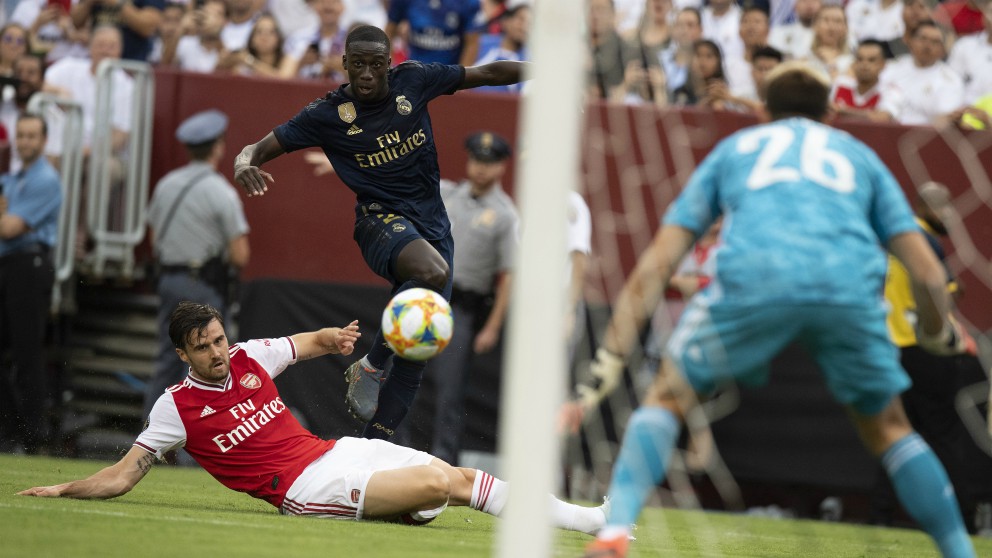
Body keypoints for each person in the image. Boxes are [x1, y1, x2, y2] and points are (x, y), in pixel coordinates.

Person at [577, 62, 977, 558]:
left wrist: (611, 358)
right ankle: (960, 551)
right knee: (891, 428)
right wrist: (938, 334)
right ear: (831, 113)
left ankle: (616, 531)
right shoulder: (860, 155)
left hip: (755, 279)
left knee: (666, 398)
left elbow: (660, 261)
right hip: (845, 289)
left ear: (762, 110)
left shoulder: (737, 150)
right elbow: (928, 271)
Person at [19, 301, 609, 536]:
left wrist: (336, 338)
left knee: (448, 476)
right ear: (183, 354)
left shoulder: (251, 357)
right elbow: (124, 474)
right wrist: (65, 488)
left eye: (220, 339)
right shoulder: (176, 406)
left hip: (333, 451)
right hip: (304, 488)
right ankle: (586, 524)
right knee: (440, 486)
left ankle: (590, 517)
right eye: (203, 347)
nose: (219, 352)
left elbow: (307, 342)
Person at [233, 24, 527, 441]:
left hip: (433, 226)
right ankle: (370, 364)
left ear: (391, 64)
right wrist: (245, 161)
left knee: (416, 352)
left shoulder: (416, 79)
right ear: (345, 65)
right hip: (378, 221)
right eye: (358, 65)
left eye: (376, 64)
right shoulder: (328, 113)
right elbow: (262, 146)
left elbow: (486, 74)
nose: (367, 73)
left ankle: (372, 450)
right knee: (433, 273)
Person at [870, 182, 992, 534]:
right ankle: (966, 519)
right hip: (928, 348)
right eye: (943, 206)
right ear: (925, 208)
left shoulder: (892, 240)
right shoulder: (924, 240)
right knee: (945, 435)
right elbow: (945, 292)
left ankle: (880, 516)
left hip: (894, 347)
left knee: (894, 434)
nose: (949, 214)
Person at [404, 131, 518, 466]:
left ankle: (443, 461)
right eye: (476, 160)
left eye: (489, 162)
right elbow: (400, 181)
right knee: (402, 375)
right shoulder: (448, 193)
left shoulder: (505, 215)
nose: (481, 168)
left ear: (501, 167)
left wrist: (493, 327)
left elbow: (509, 274)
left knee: (449, 391)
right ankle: (398, 450)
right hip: (424, 301)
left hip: (461, 310)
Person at [143, 109, 250, 421]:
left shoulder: (166, 185)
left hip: (169, 280)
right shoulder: (221, 192)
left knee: (166, 359)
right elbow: (240, 255)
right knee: (209, 363)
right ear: (218, 146)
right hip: (201, 285)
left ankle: (149, 435)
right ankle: (202, 444)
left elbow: (154, 238)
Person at [0, 113, 62, 454]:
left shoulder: (45, 180)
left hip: (29, 263)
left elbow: (10, 228)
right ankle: (12, 428)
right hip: (9, 264)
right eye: (21, 135)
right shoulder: (13, 178)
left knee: (27, 351)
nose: (25, 141)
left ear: (43, 140)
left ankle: (31, 434)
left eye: (31, 136)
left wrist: (8, 217)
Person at [879, 20, 966, 126]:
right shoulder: (893, 67)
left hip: (925, 132)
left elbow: (946, 119)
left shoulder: (951, 80)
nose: (927, 45)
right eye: (923, 39)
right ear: (910, 41)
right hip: (884, 127)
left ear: (943, 49)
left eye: (935, 42)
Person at [831, 39, 903, 122]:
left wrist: (842, 111)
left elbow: (882, 118)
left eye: (871, 60)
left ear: (883, 65)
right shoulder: (840, 84)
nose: (864, 64)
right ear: (853, 63)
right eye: (860, 59)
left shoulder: (891, 92)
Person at [70, 0, 166, 62]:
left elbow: (148, 27)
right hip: (97, 63)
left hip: (131, 64)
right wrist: (88, 2)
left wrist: (116, 3)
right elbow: (76, 23)